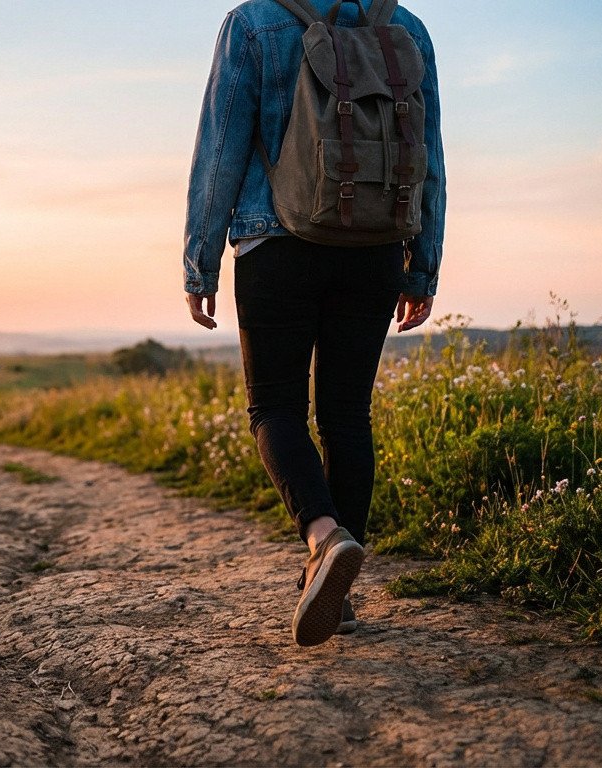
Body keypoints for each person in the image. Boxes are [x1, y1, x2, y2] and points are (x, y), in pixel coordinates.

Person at [181, 0, 446, 646]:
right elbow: (429, 158)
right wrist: (422, 266)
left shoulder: (254, 24)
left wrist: (200, 261)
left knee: (274, 408)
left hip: (276, 242)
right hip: (375, 246)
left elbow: (220, 148)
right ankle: (338, 592)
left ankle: (325, 539)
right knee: (347, 416)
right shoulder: (405, 28)